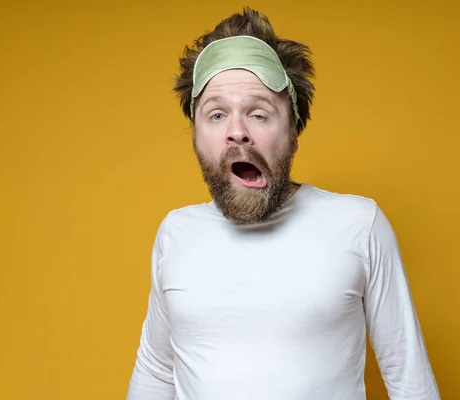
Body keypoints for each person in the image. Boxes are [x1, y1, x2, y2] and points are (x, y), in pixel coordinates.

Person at [126, 7, 440, 400]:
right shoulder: (176, 233)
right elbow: (156, 370)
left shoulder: (359, 224)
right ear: (196, 132)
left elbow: (408, 378)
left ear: (293, 129)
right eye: (217, 114)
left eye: (258, 114)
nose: (237, 132)